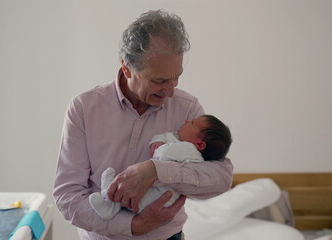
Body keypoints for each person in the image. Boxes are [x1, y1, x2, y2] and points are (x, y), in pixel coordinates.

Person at [53, 9, 234, 240]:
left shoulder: (187, 109)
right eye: (159, 80)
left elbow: (220, 178)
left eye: (176, 77)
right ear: (126, 67)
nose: (170, 91)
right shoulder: (83, 108)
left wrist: (155, 171)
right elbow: (67, 195)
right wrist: (133, 225)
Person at [89, 114, 232, 220]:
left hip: (159, 195)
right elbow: (163, 137)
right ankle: (109, 203)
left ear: (200, 144)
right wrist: (157, 142)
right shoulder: (179, 140)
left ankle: (109, 203)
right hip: (157, 194)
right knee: (128, 192)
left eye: (192, 123)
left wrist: (156, 158)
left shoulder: (189, 150)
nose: (187, 120)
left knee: (134, 196)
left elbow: (163, 152)